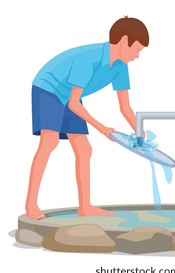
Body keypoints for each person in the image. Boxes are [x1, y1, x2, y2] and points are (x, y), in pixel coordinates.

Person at [25, 17, 149, 219]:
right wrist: (103, 128)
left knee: (84, 149)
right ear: (124, 41)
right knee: (50, 141)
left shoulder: (121, 66)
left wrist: (139, 131)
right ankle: (31, 204)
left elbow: (125, 107)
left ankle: (85, 207)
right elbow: (74, 104)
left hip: (69, 95)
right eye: (136, 50)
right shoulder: (88, 59)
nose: (137, 56)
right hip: (48, 87)